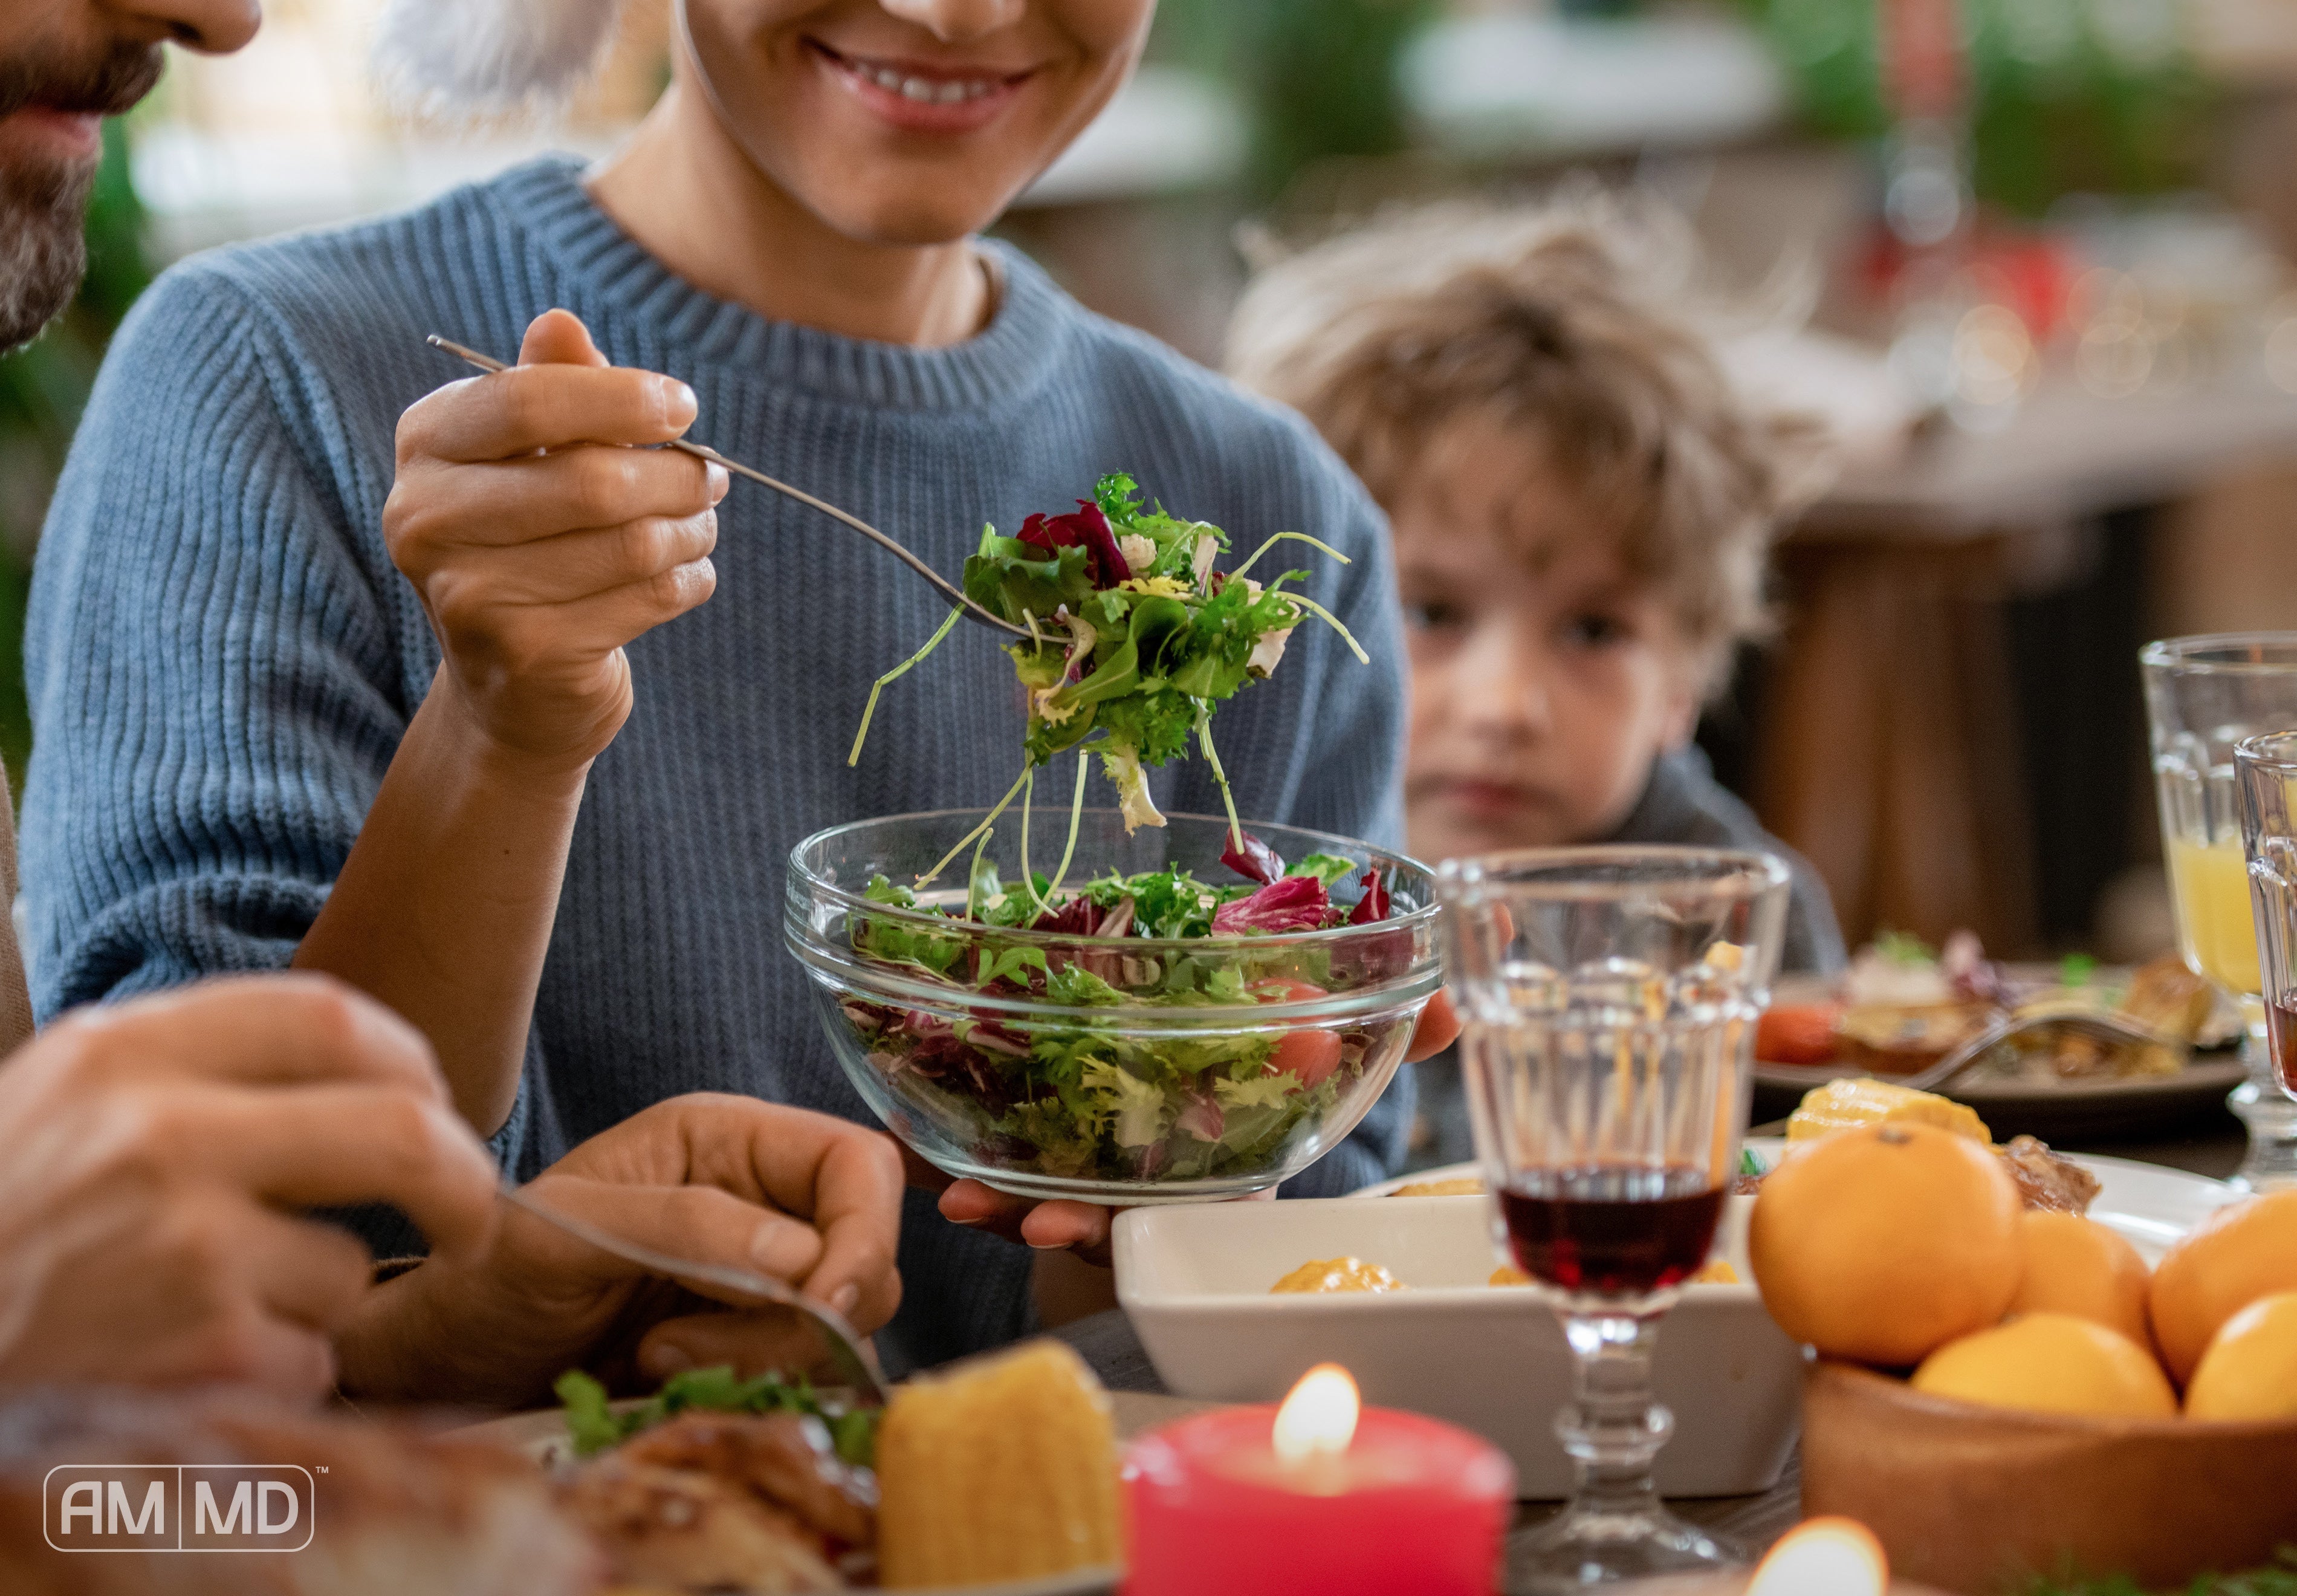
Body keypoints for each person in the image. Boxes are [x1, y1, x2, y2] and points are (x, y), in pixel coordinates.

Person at [22, 0, 1457, 1372]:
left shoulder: (1275, 524)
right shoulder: (277, 376)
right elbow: (178, 1267)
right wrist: (502, 734)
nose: (953, 13)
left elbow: (1299, 1366)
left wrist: (1149, 1212)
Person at [0, 0, 903, 1406]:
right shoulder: (265, 364)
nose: (225, 22)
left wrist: (429, 1343)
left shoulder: (1267, 493)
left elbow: (117, 1437)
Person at [1225, 203, 1844, 1163]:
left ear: (1681, 681)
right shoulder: (1226, 897)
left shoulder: (1734, 927)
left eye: (1594, 630)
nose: (1506, 707)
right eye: (1430, 613)